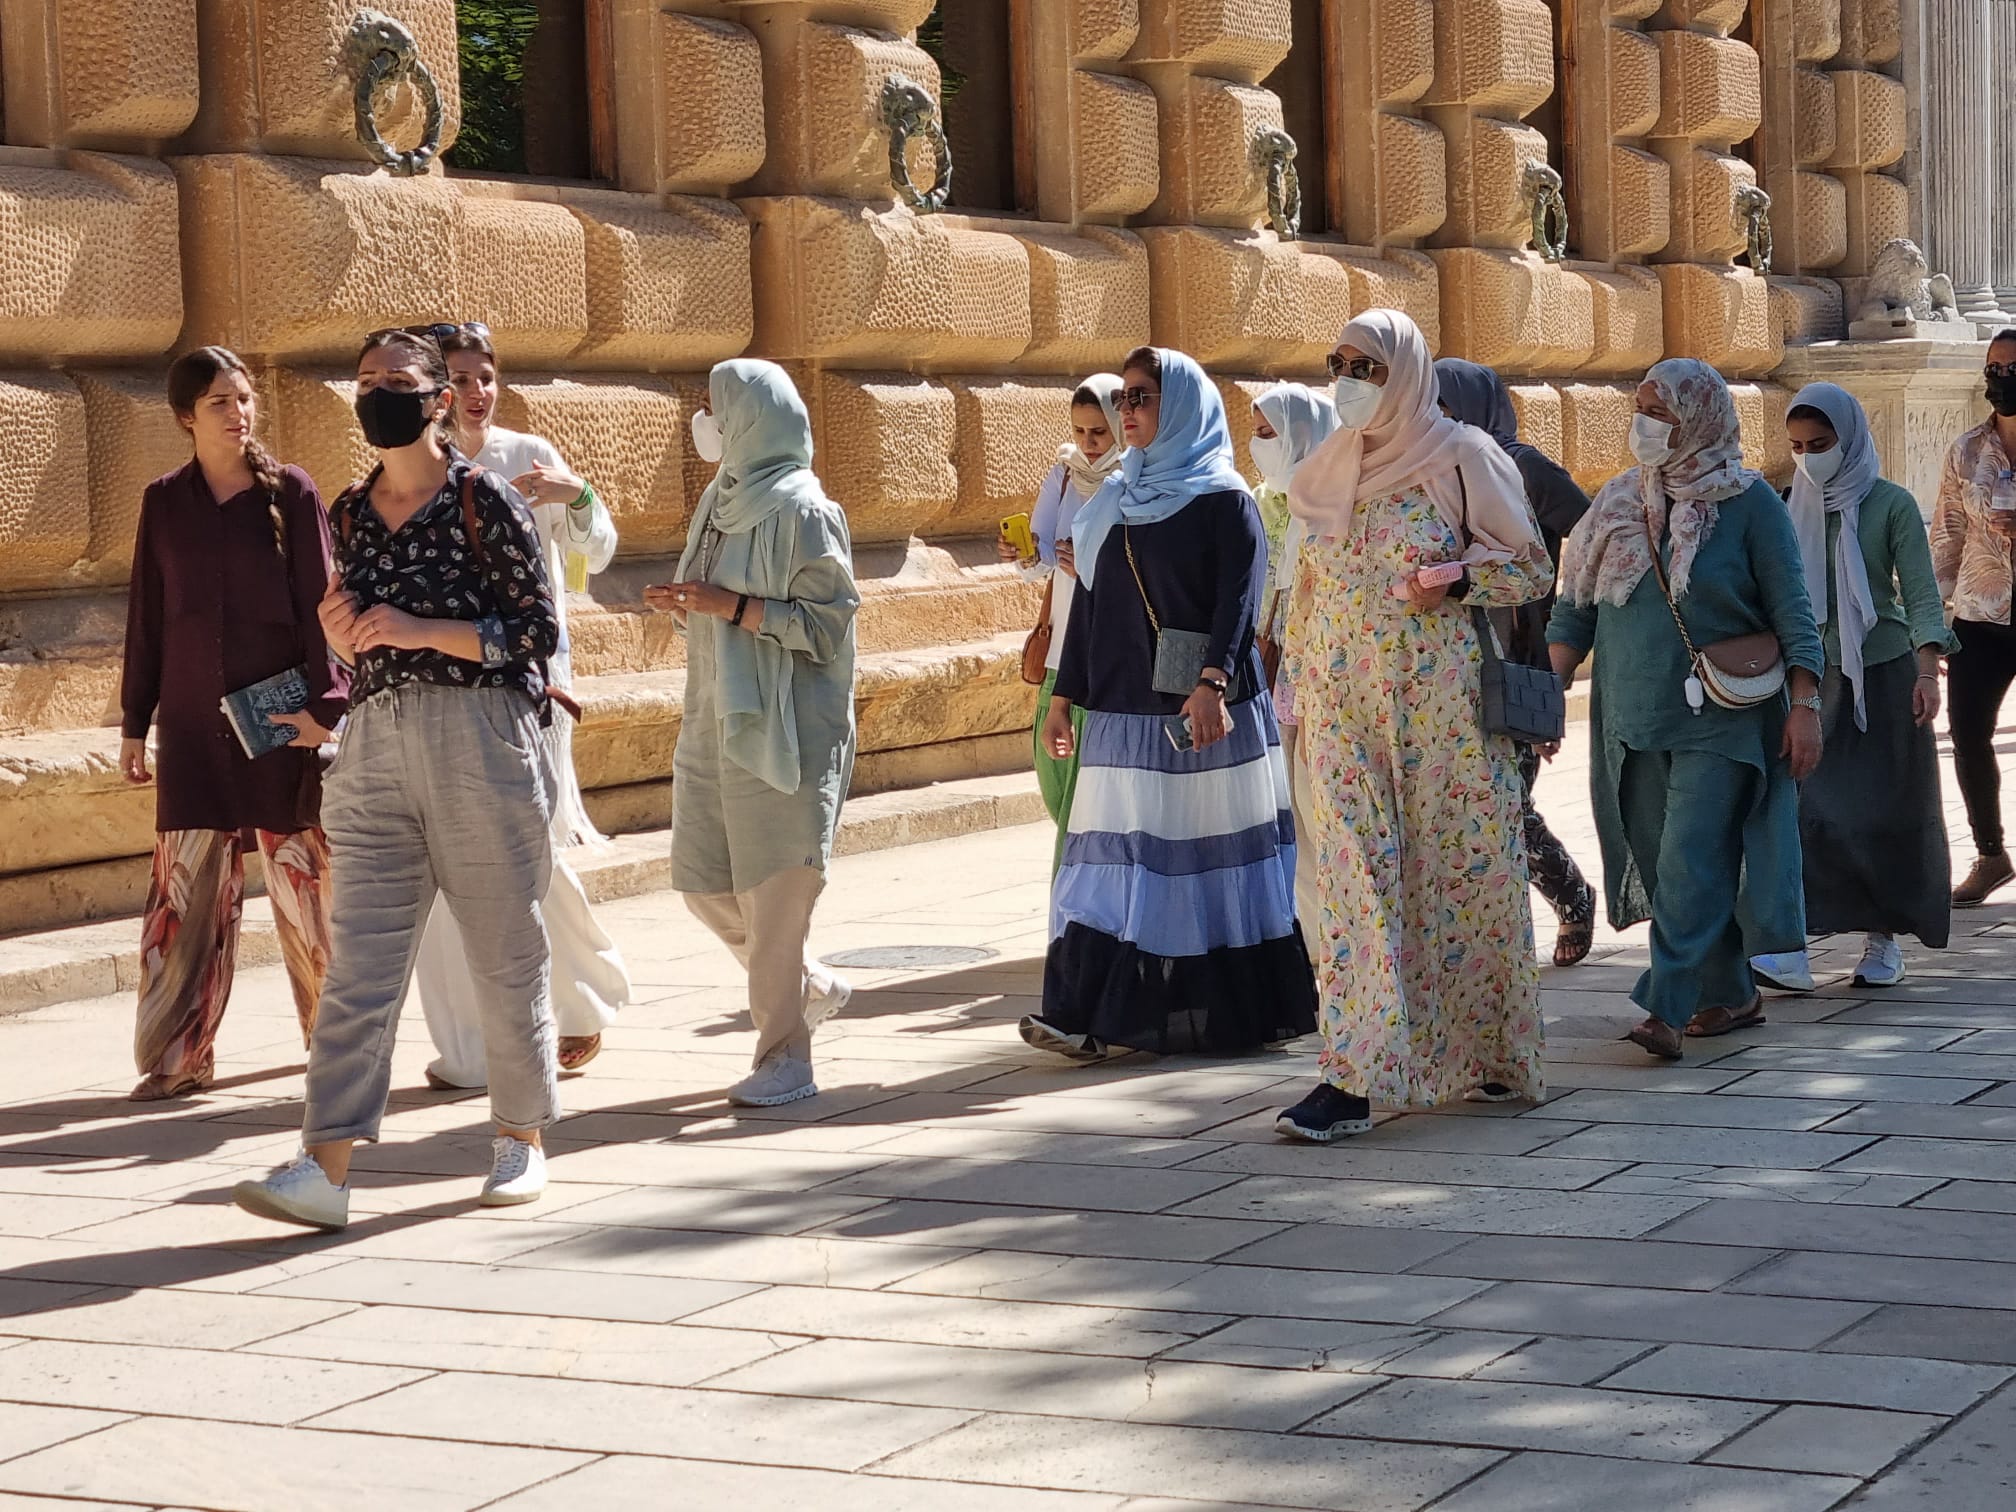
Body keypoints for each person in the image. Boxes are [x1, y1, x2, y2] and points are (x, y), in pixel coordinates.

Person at [232, 327, 562, 1229]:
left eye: (398, 381)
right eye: (367, 379)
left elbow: (535, 635)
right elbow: (359, 635)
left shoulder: (482, 499)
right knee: (361, 966)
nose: (379, 393)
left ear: (437, 399)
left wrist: (418, 629)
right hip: (375, 740)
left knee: (504, 948)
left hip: (479, 737)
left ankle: (520, 1139)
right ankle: (324, 1166)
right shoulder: (346, 510)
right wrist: (347, 636)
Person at [1271, 311, 1554, 1143]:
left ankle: (1489, 1054)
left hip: (1442, 716)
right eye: (1339, 361)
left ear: (1403, 370)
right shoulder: (1326, 468)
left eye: (1365, 363)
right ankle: (1351, 1079)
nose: (1348, 376)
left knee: (1461, 882)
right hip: (1341, 714)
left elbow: (1531, 566)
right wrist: (1294, 681)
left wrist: (1456, 581)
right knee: (1353, 887)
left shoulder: (1462, 456)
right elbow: (1308, 589)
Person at [1022, 346, 1317, 1061]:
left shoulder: (1223, 500)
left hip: (1201, 718)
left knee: (1199, 869)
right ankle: (1080, 1011)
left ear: (1180, 404)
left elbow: (1239, 604)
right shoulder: (1113, 501)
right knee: (1106, 863)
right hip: (1122, 719)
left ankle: (1217, 1012)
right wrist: (1065, 698)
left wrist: (1213, 684)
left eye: (1142, 398)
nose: (1127, 412)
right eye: (1123, 399)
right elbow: (1089, 607)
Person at [1547, 358, 1824, 1061]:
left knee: (1689, 860)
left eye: (1662, 413)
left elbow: (1795, 615)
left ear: (1699, 418)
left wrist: (1804, 705)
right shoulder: (1613, 503)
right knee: (1658, 856)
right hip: (1631, 721)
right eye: (1641, 408)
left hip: (1723, 718)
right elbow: (1573, 612)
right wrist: (1549, 692)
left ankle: (1664, 1006)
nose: (1646, 425)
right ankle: (1730, 992)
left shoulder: (1750, 504)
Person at [118, 346, 346, 1101]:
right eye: (220, 401)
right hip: (189, 726)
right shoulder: (163, 502)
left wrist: (326, 707)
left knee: (303, 882)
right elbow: (149, 617)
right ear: (186, 416)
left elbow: (325, 606)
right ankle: (180, 1055)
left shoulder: (291, 493)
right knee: (185, 893)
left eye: (244, 398)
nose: (238, 412)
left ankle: (338, 1046)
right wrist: (133, 721)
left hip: (279, 719)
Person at [411, 323, 631, 1089]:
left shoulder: (526, 455)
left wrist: (578, 497)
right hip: (437, 685)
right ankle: (472, 1046)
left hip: (533, 683)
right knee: (445, 863)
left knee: (530, 847)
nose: (478, 392)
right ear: (437, 391)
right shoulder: (416, 462)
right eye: (462, 379)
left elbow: (594, 551)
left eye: (487, 376)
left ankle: (581, 1001)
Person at [645, 359, 860, 1109]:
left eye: (717, 408)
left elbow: (830, 627)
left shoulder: (804, 509)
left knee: (774, 904)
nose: (706, 422)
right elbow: (705, 596)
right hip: (712, 719)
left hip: (787, 729)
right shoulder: (721, 497)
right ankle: (805, 984)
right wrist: (684, 603)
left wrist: (733, 607)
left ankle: (785, 1060)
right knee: (701, 881)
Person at [1742, 385, 1951, 991]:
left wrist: (1927, 669)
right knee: (1805, 806)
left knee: (1885, 805)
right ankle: (1792, 938)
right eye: (1799, 446)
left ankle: (1882, 939)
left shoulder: (1890, 505)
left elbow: (1918, 591)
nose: (1810, 457)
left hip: (1882, 676)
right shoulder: (1787, 506)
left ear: (1851, 439)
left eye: (1822, 444)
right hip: (1808, 679)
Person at [1435, 357, 1599, 968]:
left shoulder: (1524, 468)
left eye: (1445, 406)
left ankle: (1570, 895)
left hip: (1519, 659)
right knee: (1465, 805)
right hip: (1449, 664)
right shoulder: (1429, 472)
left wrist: (1558, 619)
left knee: (1505, 804)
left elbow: (1591, 535)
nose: (1437, 418)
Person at [997, 375, 1125, 866]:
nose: (1089, 444)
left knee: (1086, 789)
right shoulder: (1065, 474)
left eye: (1099, 432)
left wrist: (1092, 562)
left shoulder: (1135, 478)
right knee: (1054, 780)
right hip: (1061, 644)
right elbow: (1043, 553)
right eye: (1080, 431)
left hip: (1110, 646)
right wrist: (1023, 553)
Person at [1249, 382, 1338, 933]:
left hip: (1325, 676)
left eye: (1268, 434)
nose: (1258, 446)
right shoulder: (1260, 502)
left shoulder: (1334, 497)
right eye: (1255, 434)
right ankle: (1307, 938)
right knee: (1291, 814)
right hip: (1274, 673)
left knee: (1321, 809)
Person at [1933, 329, 2016, 907]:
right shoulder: (1966, 450)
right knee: (1967, 734)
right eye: (1993, 368)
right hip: (1980, 616)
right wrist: (1935, 623)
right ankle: (1991, 854)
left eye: (2010, 368)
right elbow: (1947, 536)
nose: (2000, 379)